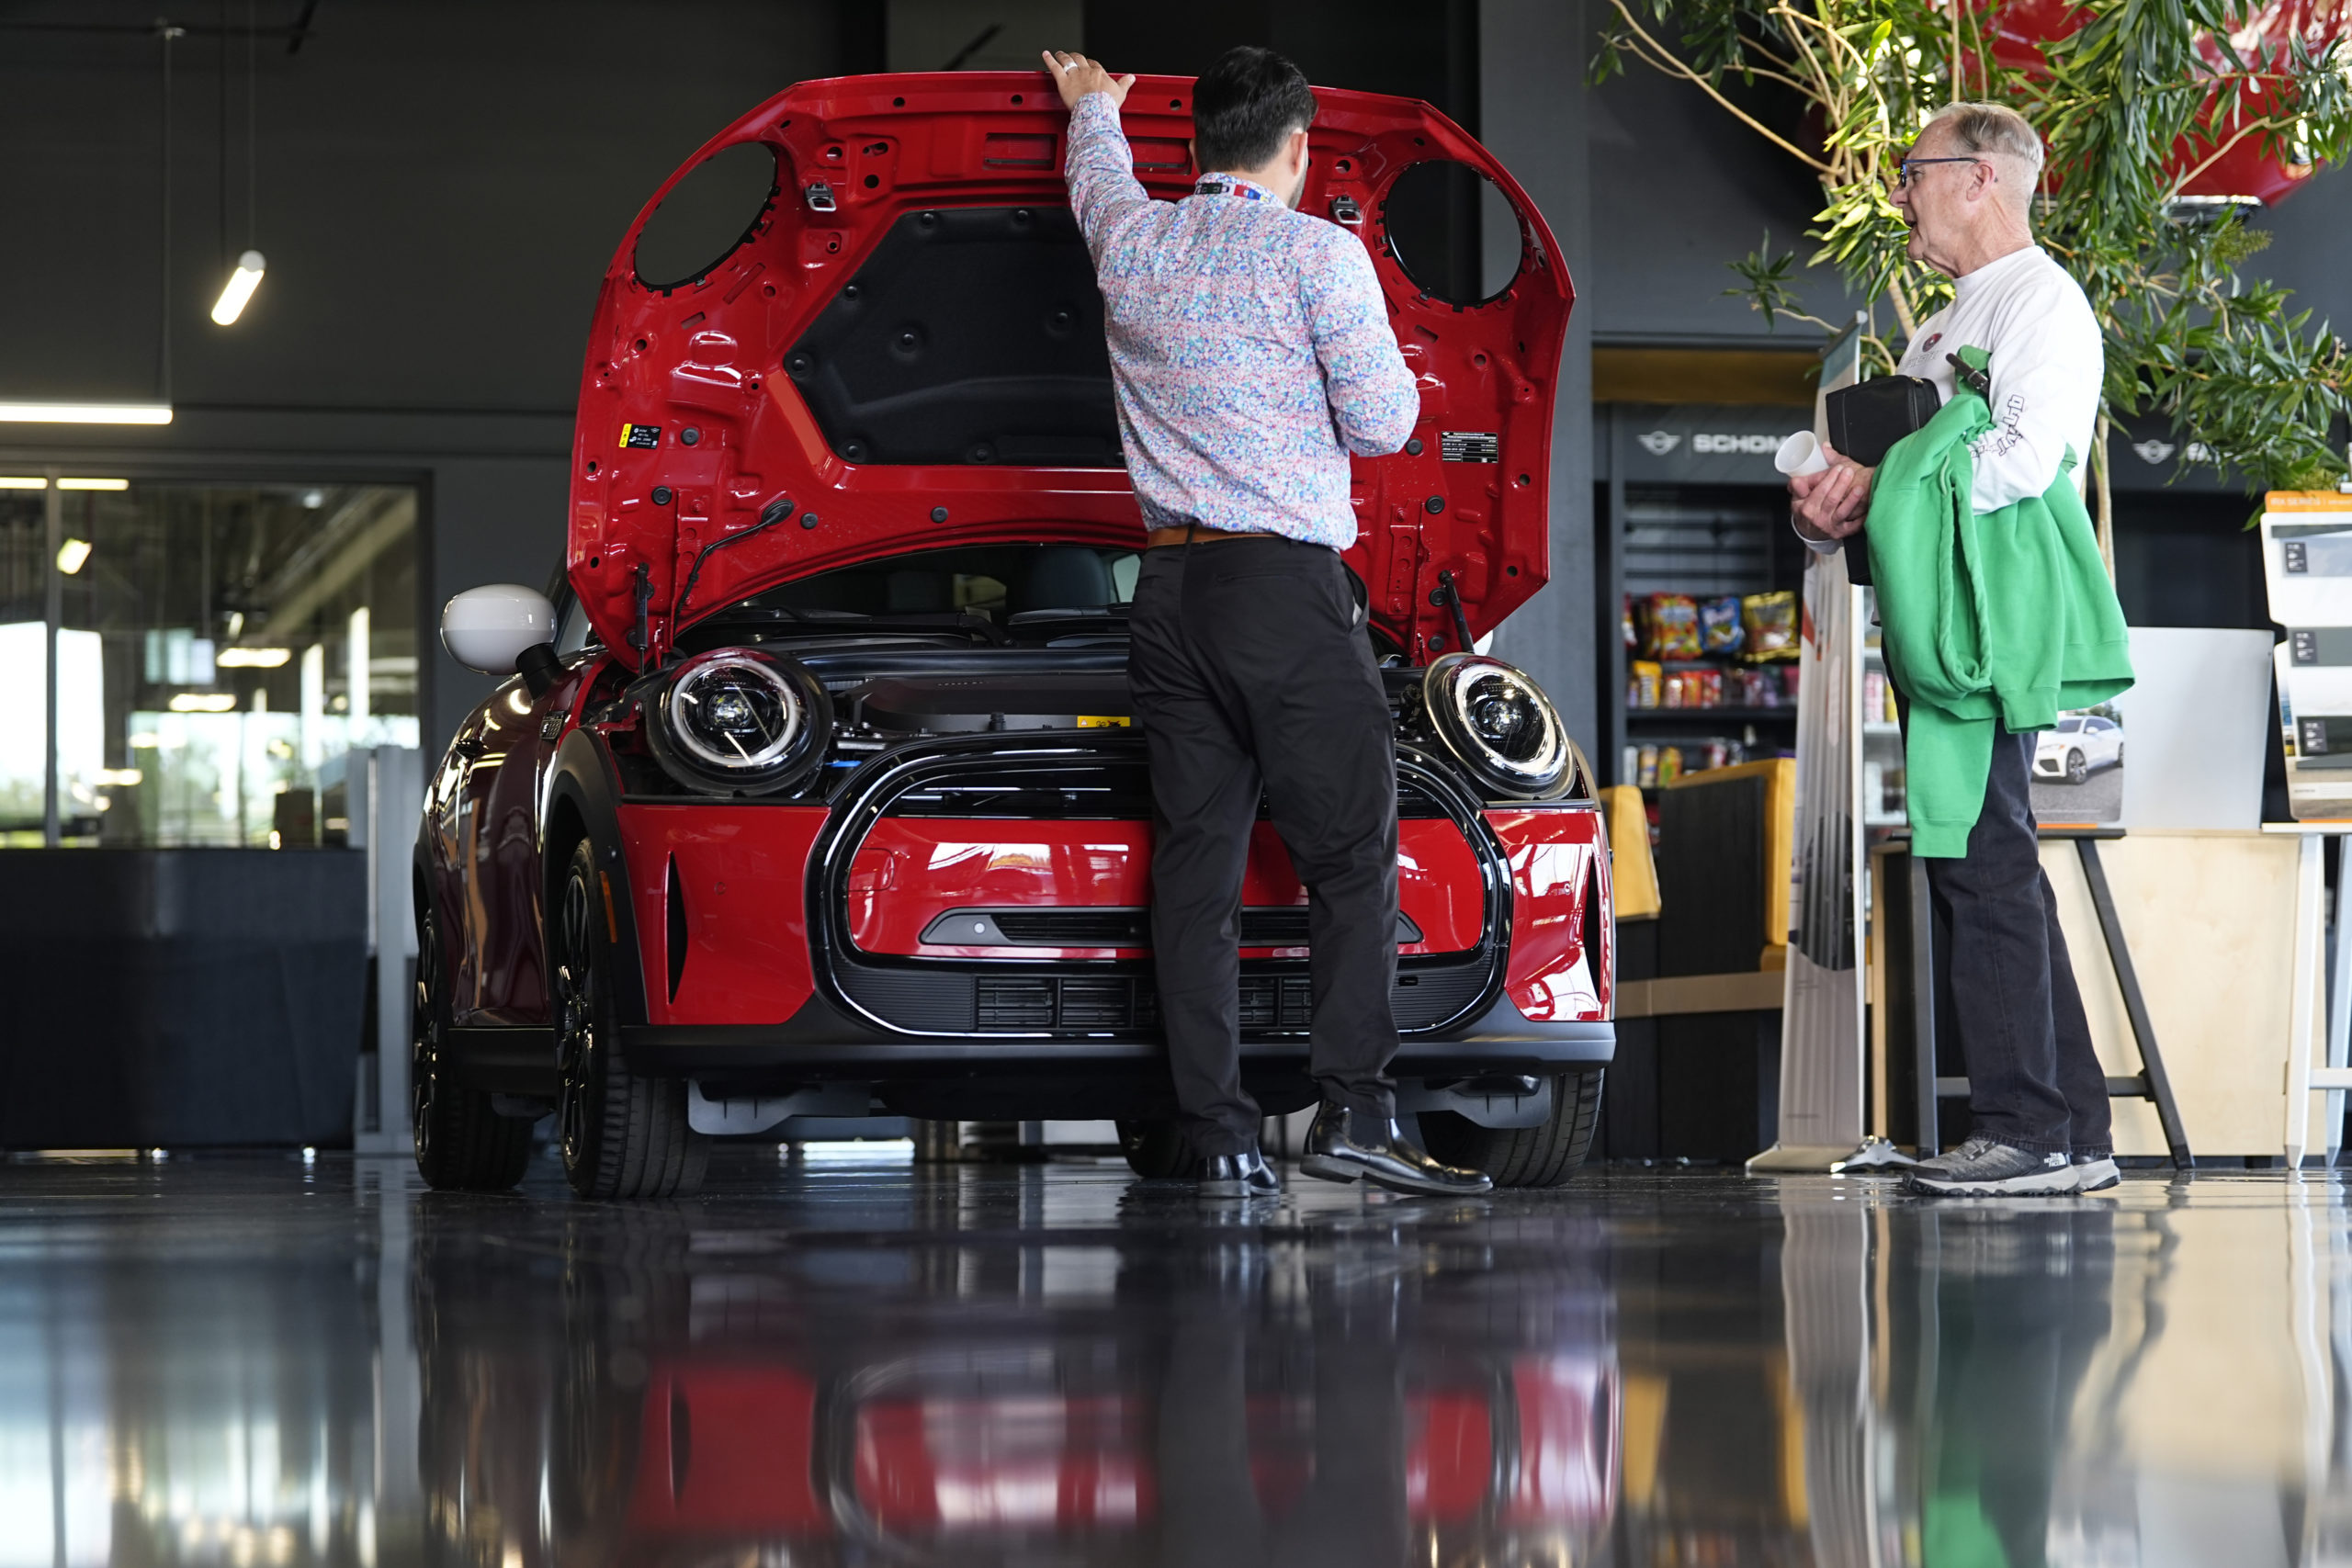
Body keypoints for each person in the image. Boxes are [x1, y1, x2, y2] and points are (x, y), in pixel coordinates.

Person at [1046, 44, 1491, 1197]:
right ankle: (1354, 1114)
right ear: (1299, 150)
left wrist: (1093, 110)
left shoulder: (1134, 241)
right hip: (1281, 593)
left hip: (1169, 596)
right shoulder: (1317, 254)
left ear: (1196, 147)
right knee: (1348, 856)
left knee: (1194, 868)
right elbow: (1387, 422)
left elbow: (1095, 180)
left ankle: (1219, 1132)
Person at [1790, 101, 2123, 1199]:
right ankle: (2070, 1130)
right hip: (1943, 618)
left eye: (1913, 172)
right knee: (1988, 855)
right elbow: (1910, 470)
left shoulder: (2042, 303)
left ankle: (2022, 1127)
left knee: (1983, 858)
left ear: (1980, 177)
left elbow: (2023, 462)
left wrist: (1888, 484)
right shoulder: (1940, 326)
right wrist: (1833, 503)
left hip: (1993, 615)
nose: (1902, 193)